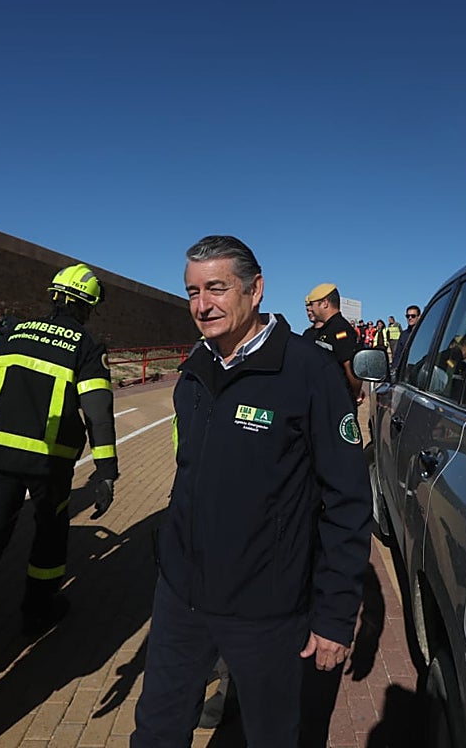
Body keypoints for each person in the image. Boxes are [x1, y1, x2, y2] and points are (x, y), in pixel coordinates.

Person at [131, 235, 372, 747]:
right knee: (156, 730)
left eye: (216, 288)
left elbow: (347, 501)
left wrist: (333, 614)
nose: (202, 305)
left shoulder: (310, 372)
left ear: (255, 289)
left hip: (267, 605)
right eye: (192, 292)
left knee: (270, 735)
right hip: (181, 595)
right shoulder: (193, 372)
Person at [0, 263, 119, 704]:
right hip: (47, 464)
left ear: (53, 296)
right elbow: (98, 410)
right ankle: (38, 611)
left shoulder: (14, 334)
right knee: (49, 538)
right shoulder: (86, 345)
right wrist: (106, 470)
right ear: (87, 307)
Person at [303, 283, 363, 404]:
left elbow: (351, 369)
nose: (311, 309)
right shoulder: (322, 330)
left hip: (337, 401)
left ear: (325, 303)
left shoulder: (341, 330)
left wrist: (354, 395)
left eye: (313, 304)